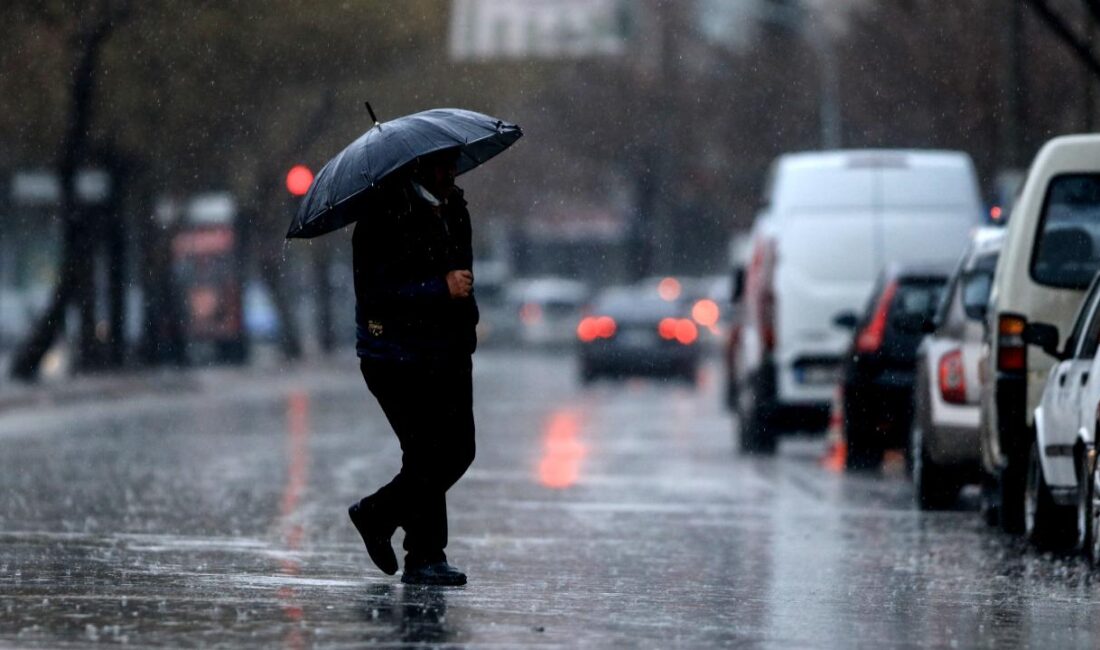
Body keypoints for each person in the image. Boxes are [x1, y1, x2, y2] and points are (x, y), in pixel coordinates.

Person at [347, 147, 477, 586]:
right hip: (396, 356)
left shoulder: (455, 209)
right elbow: (377, 294)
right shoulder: (381, 219)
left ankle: (383, 520)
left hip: (449, 351)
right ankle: (422, 553)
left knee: (456, 451)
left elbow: (464, 274)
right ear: (418, 166)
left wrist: (464, 324)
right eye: (443, 164)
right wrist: (438, 289)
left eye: (454, 163)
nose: (451, 172)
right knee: (429, 453)